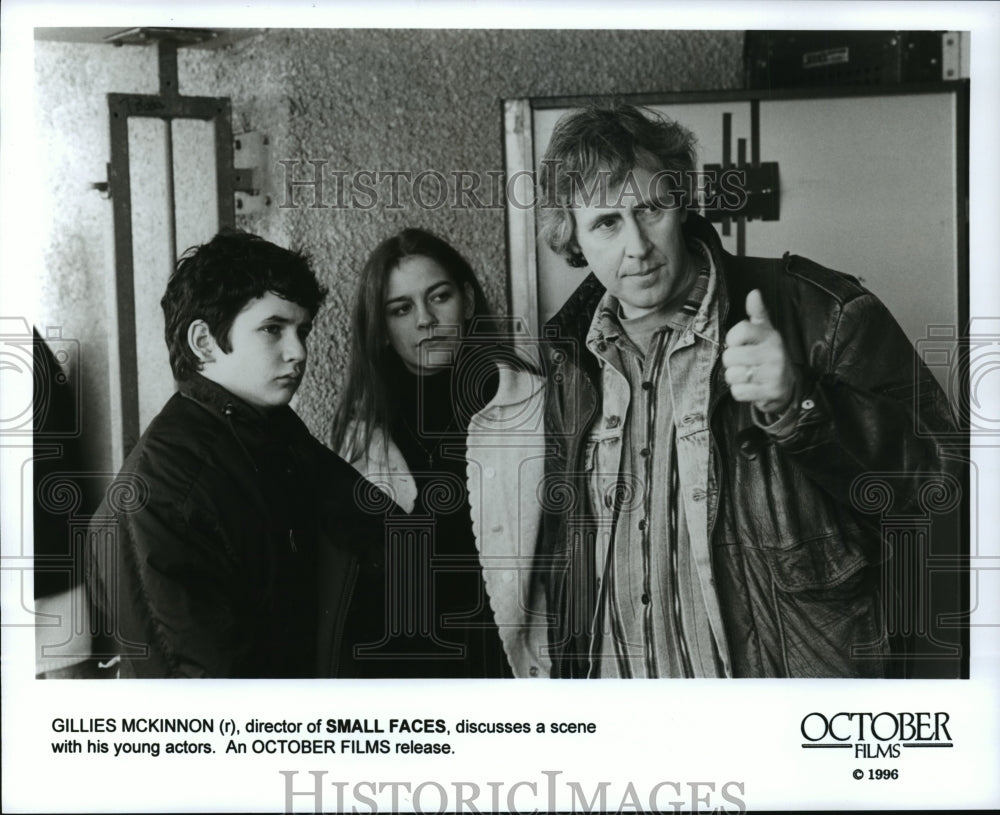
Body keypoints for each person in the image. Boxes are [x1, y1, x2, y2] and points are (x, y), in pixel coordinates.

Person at [533, 104, 958, 678]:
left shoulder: (820, 313)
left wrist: (801, 403)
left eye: (651, 208)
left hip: (780, 721)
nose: (636, 245)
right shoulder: (568, 362)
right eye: (606, 222)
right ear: (574, 238)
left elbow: (945, 492)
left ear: (680, 200)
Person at [86, 229, 371, 678]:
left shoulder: (274, 438)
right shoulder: (163, 491)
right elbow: (211, 704)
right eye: (272, 329)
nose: (298, 352)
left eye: (302, 330)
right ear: (203, 344)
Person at [331, 228, 550, 678]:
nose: (425, 319)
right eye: (401, 308)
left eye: (439, 297)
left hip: (509, 672)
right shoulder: (361, 437)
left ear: (467, 302)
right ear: (382, 327)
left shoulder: (534, 407)